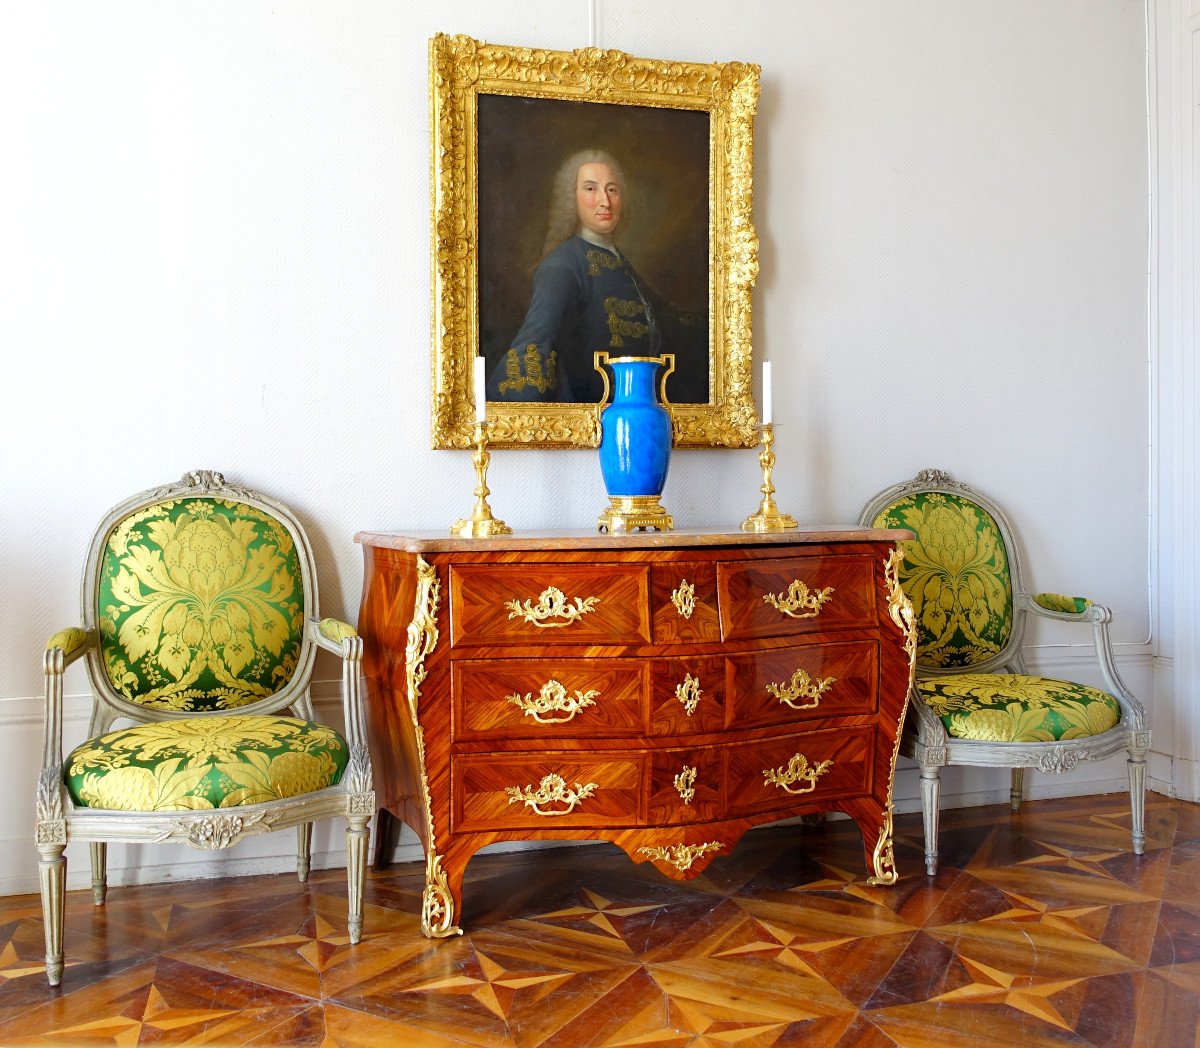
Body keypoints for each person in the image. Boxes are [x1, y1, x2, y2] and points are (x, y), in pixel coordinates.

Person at [487, 148, 708, 404]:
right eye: (591, 189)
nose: (605, 201)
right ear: (571, 198)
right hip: (593, 417)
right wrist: (523, 421)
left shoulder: (616, 257)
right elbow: (534, 345)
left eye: (612, 189)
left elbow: (664, 321)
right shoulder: (562, 265)